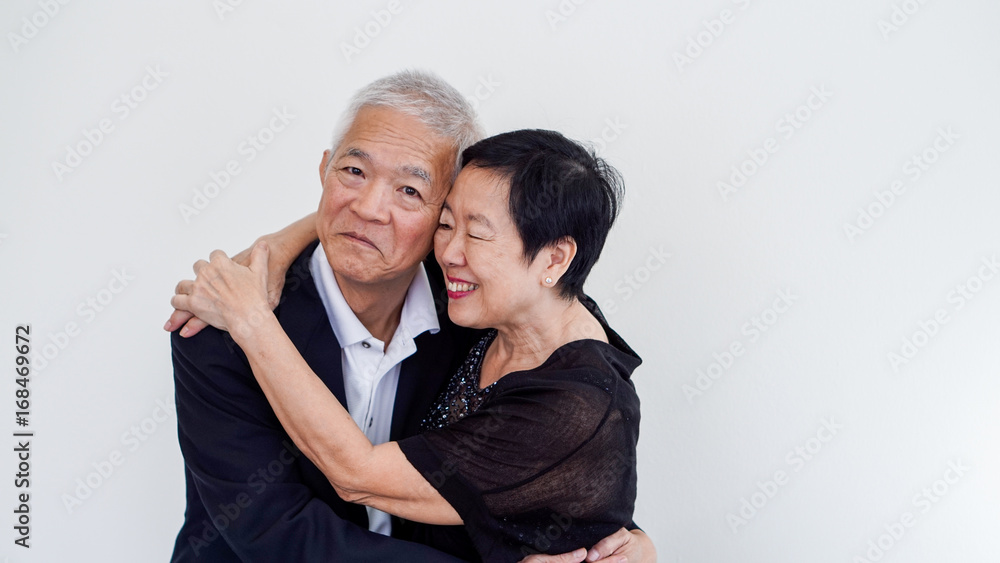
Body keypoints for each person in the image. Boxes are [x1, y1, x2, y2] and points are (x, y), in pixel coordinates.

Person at [165, 70, 654, 562]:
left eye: (410, 191)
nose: (369, 208)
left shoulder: (474, 305)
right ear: (324, 169)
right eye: (353, 171)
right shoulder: (221, 323)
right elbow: (276, 534)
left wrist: (628, 543)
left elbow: (544, 454)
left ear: (445, 209)